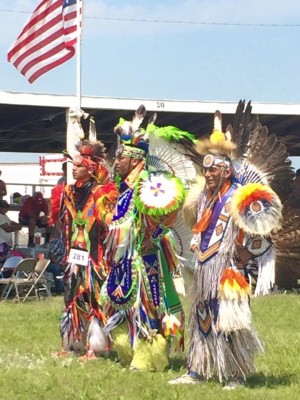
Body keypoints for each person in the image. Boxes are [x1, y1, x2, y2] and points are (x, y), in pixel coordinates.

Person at [169, 101, 287, 388]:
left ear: (226, 170)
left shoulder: (242, 196)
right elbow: (198, 227)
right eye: (205, 170)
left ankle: (236, 372)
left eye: (212, 170)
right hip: (205, 265)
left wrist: (245, 253)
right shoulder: (204, 198)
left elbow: (263, 233)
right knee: (202, 317)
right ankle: (198, 368)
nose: (207, 174)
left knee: (230, 320)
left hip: (230, 269)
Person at [102, 106, 196, 372]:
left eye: (121, 158)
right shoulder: (123, 189)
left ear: (134, 160)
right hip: (123, 258)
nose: (116, 162)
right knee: (118, 299)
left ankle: (150, 355)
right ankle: (125, 348)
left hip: (146, 258)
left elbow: (170, 213)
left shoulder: (151, 185)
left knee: (150, 305)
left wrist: (151, 236)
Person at [51, 138, 118, 359]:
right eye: (74, 165)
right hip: (74, 255)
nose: (74, 169)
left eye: (79, 166)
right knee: (71, 297)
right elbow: (62, 224)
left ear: (90, 169)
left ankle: (95, 347)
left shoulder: (102, 193)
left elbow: (110, 226)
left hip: (95, 258)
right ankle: (71, 344)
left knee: (94, 298)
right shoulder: (67, 192)